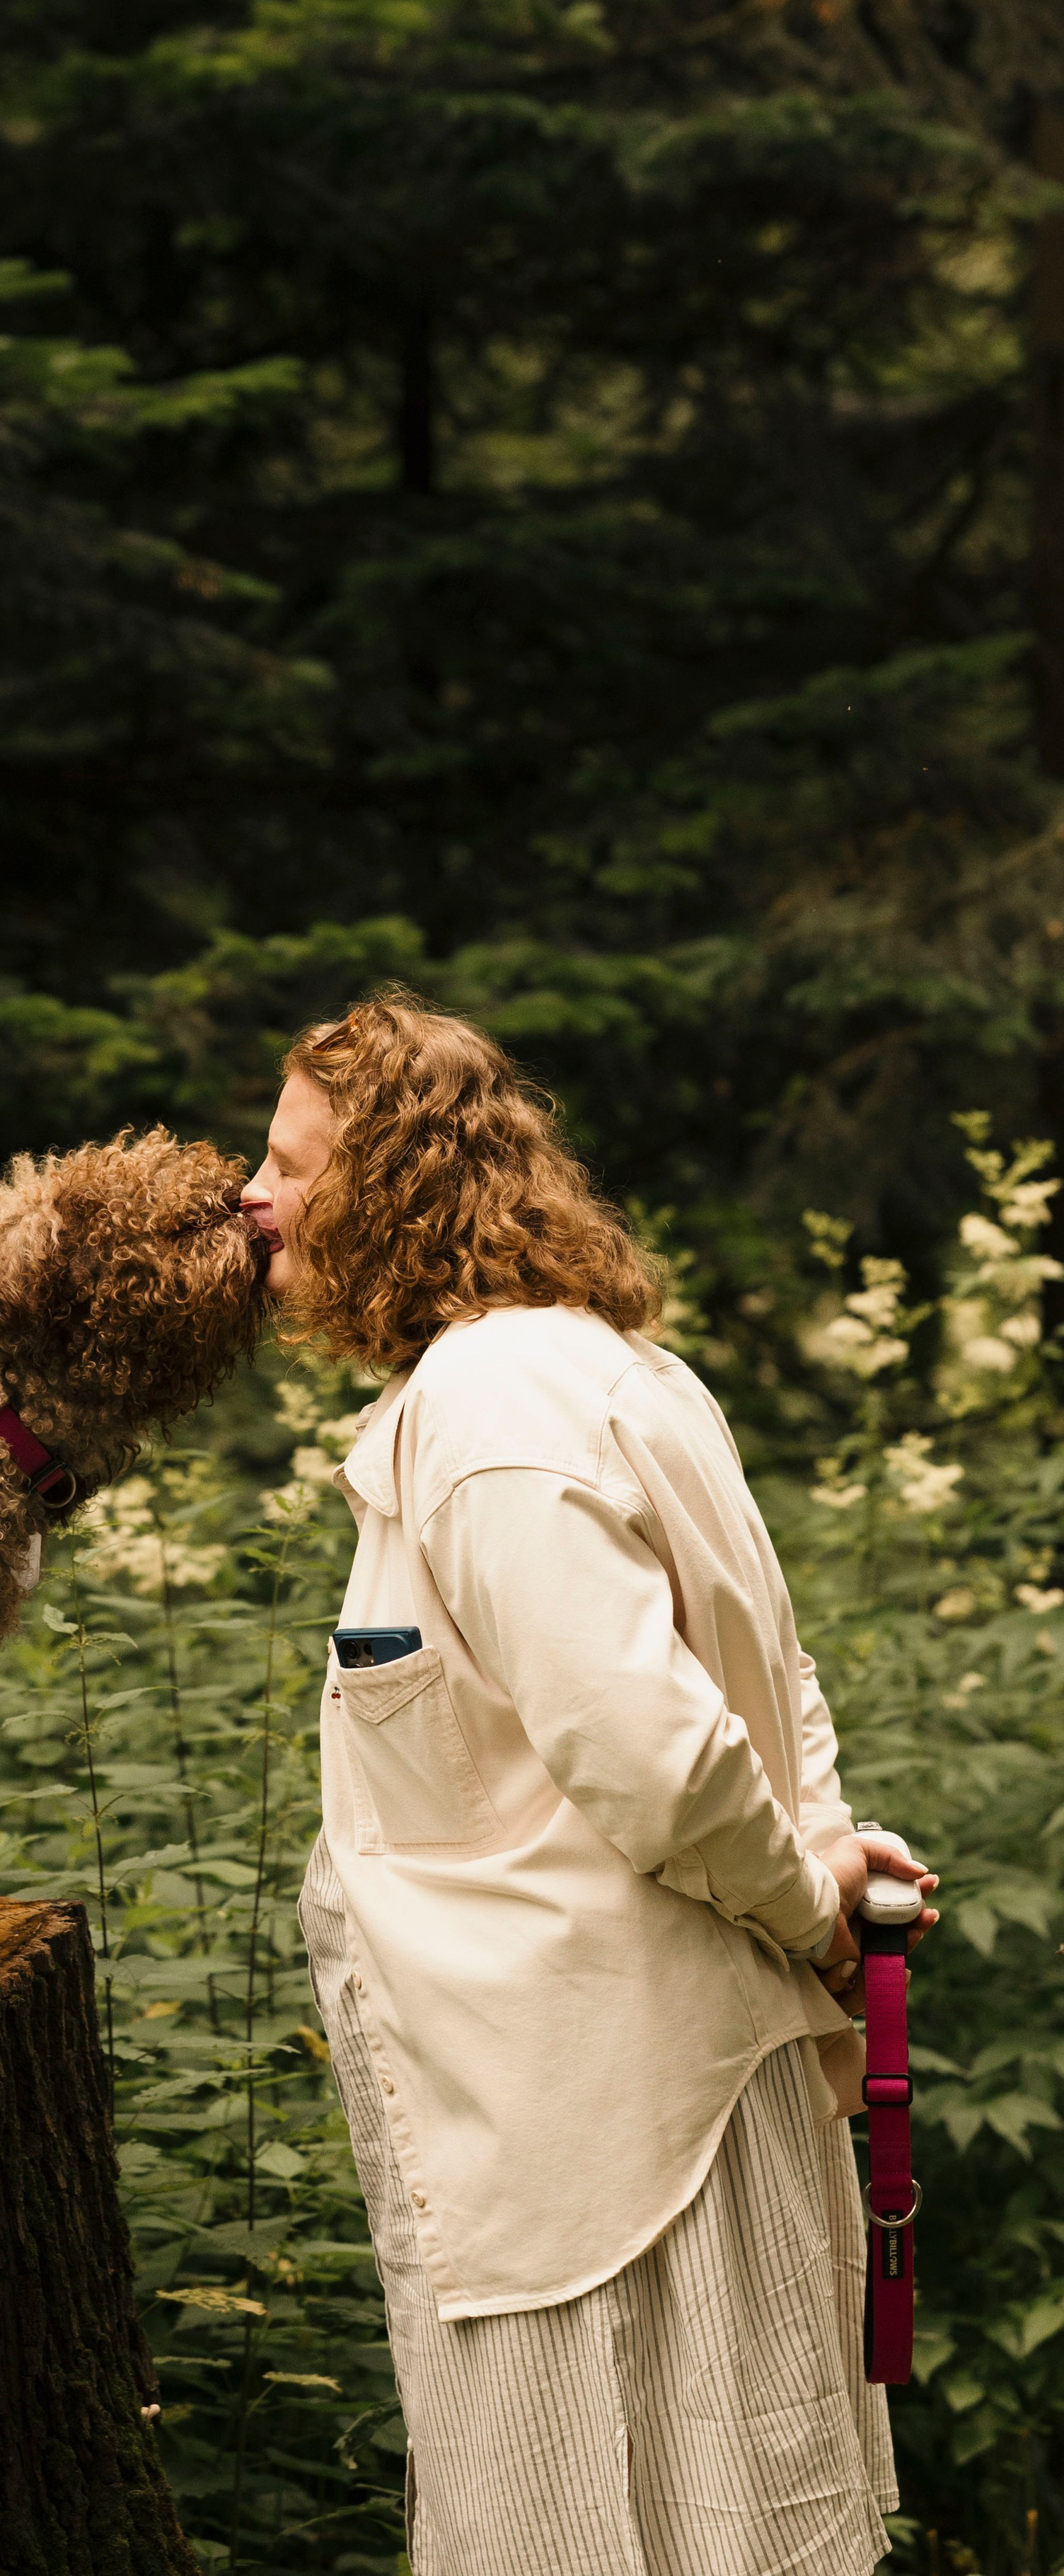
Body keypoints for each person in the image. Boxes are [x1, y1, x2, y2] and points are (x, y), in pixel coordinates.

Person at [238, 996, 938, 2576]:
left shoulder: (492, 1416)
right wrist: (822, 1861)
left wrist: (813, 1906)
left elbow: (655, 1750)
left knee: (589, 2534)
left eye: (289, 1164)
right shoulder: (614, 1372)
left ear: (388, 1191)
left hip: (596, 2147)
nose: (252, 1195)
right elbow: (775, 1682)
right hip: (632, 2096)